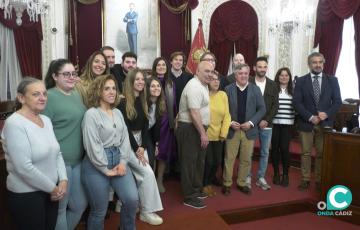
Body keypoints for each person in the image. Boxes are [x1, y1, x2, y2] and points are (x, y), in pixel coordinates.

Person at [1, 77, 67, 230]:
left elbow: (57, 153)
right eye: (36, 94)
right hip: (27, 195)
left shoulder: (46, 120)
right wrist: (53, 188)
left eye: (44, 94)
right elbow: (23, 167)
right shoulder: (14, 123)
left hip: (51, 192)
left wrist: (63, 180)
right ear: (21, 98)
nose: (42, 98)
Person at [81, 74, 139, 230]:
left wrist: (123, 162)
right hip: (96, 164)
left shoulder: (118, 113)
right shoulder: (91, 114)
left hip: (118, 158)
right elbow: (92, 146)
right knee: (99, 210)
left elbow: (125, 139)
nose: (112, 92)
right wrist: (104, 169)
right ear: (98, 91)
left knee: (132, 200)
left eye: (113, 88)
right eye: (107, 88)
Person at [43, 59, 88, 230]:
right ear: (55, 76)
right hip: (61, 164)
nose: (71, 77)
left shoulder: (76, 94)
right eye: (66, 74)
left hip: (78, 162)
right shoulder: (49, 97)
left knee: (79, 206)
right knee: (61, 210)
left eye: (73, 74)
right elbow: (43, 132)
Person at [118, 68, 163, 225]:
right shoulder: (122, 102)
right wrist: (137, 148)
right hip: (126, 143)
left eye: (142, 79)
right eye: (137, 79)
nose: (141, 82)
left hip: (139, 143)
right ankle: (146, 212)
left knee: (140, 175)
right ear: (130, 81)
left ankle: (129, 203)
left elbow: (145, 126)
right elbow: (125, 129)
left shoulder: (142, 100)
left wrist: (143, 146)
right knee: (148, 173)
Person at [293, 52, 342, 191]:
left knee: (321, 154)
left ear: (323, 63)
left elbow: (337, 102)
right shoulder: (301, 81)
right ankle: (305, 179)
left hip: (325, 124)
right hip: (306, 123)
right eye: (314, 62)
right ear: (309, 64)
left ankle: (320, 180)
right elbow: (297, 103)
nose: (318, 65)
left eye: (320, 62)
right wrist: (310, 117)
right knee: (306, 153)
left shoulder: (332, 80)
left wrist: (326, 114)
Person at [222, 64, 266, 196]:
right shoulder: (227, 89)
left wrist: (252, 123)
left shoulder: (255, 89)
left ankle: (241, 183)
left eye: (246, 73)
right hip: (232, 129)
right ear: (235, 75)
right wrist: (229, 122)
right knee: (229, 158)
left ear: (249, 74)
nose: (243, 76)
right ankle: (227, 183)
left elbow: (262, 109)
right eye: (240, 73)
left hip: (249, 130)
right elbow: (223, 110)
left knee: (246, 159)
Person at [176, 61, 213, 209]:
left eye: (212, 71)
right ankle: (189, 197)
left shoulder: (203, 85)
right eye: (206, 71)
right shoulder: (194, 86)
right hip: (190, 129)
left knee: (199, 162)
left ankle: (196, 189)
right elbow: (194, 112)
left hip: (197, 128)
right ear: (197, 71)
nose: (210, 74)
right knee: (189, 164)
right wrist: (203, 134)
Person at [248, 56, 279, 191]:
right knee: (247, 151)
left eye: (264, 67)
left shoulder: (273, 84)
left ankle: (261, 177)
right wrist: (254, 121)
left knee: (265, 152)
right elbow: (247, 104)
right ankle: (247, 176)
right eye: (259, 67)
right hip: (250, 124)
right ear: (254, 68)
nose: (262, 69)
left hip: (267, 125)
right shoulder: (248, 82)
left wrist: (266, 120)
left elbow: (275, 105)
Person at [203, 71, 231, 197]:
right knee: (208, 161)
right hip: (205, 134)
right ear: (208, 81)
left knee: (217, 161)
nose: (216, 81)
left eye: (217, 79)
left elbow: (227, 116)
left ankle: (209, 181)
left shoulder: (223, 95)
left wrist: (224, 133)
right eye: (213, 79)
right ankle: (205, 184)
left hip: (219, 135)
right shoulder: (203, 94)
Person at [151, 57, 177, 193]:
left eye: (163, 64)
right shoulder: (149, 81)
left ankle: (159, 179)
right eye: (158, 65)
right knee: (152, 152)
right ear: (154, 67)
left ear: (167, 67)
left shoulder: (171, 84)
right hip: (153, 121)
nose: (161, 67)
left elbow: (174, 105)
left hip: (166, 123)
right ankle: (150, 180)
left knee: (162, 152)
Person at [271, 67, 295, 187]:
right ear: (278, 77)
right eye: (281, 75)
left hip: (287, 125)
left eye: (286, 75)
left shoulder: (294, 90)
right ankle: (276, 173)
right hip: (274, 123)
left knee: (285, 149)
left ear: (289, 77)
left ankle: (285, 175)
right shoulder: (273, 89)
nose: (284, 77)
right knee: (274, 149)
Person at [146, 76, 166, 169]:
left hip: (149, 135)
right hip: (138, 135)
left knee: (151, 160)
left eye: (158, 86)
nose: (156, 88)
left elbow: (156, 127)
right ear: (147, 88)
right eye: (153, 86)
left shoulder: (160, 104)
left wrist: (156, 144)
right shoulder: (143, 103)